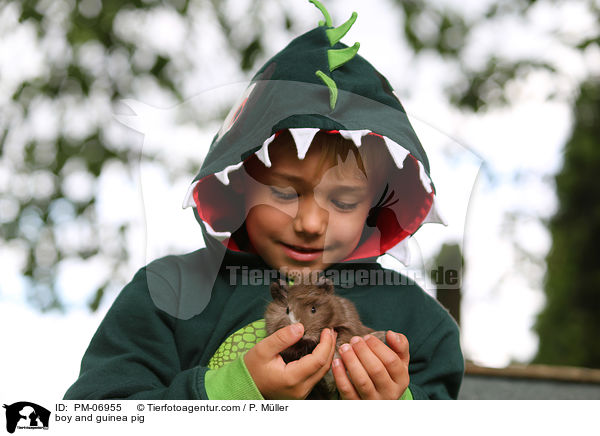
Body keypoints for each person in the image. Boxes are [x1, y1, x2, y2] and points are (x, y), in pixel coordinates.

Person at [64, 0, 463, 400]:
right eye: (285, 193)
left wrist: (400, 410)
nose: (310, 222)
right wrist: (230, 393)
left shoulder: (419, 324)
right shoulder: (169, 295)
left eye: (343, 202)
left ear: (374, 207)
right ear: (237, 182)